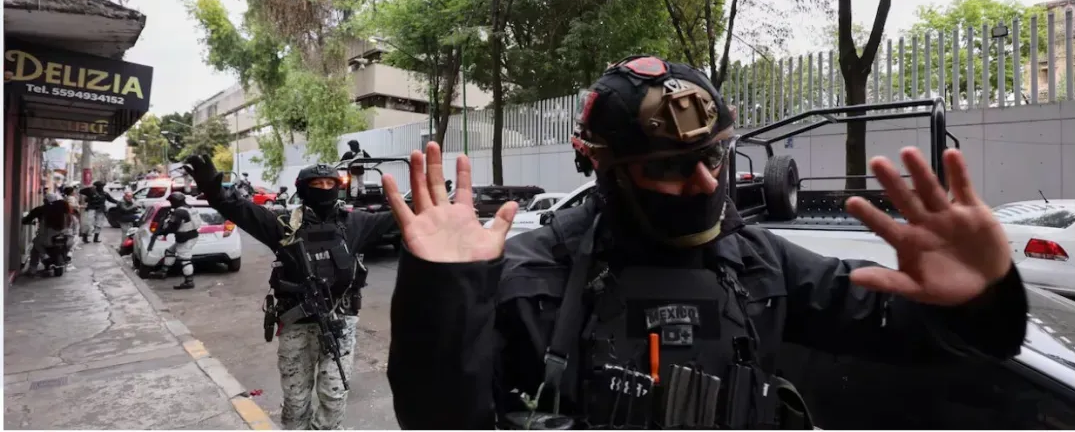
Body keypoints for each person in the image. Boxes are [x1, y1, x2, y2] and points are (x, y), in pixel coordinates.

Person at [382, 55, 1028, 430]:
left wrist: (982, 296)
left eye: (713, 156)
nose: (704, 181)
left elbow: (939, 343)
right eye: (669, 166)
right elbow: (440, 420)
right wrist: (443, 291)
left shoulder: (759, 263)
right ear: (605, 168)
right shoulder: (531, 277)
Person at [183, 154, 400, 430]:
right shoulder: (283, 224)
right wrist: (215, 191)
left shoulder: (355, 223)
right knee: (296, 401)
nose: (324, 188)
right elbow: (240, 210)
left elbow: (400, 218)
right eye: (317, 184)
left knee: (334, 396)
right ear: (303, 189)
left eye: (329, 183)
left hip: (340, 324)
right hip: (297, 324)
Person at [148, 192, 202, 289]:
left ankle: (189, 281)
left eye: (171, 202)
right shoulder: (191, 208)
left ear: (176, 201)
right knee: (170, 251)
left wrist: (161, 232)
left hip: (185, 238)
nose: (171, 204)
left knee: (185, 259)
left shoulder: (179, 212)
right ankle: (163, 272)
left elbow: (173, 227)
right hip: (191, 235)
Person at [21, 198, 74, 272]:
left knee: (36, 245)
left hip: (48, 240)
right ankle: (68, 255)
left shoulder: (43, 211)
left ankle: (33, 268)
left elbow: (28, 219)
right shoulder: (68, 215)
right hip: (66, 240)